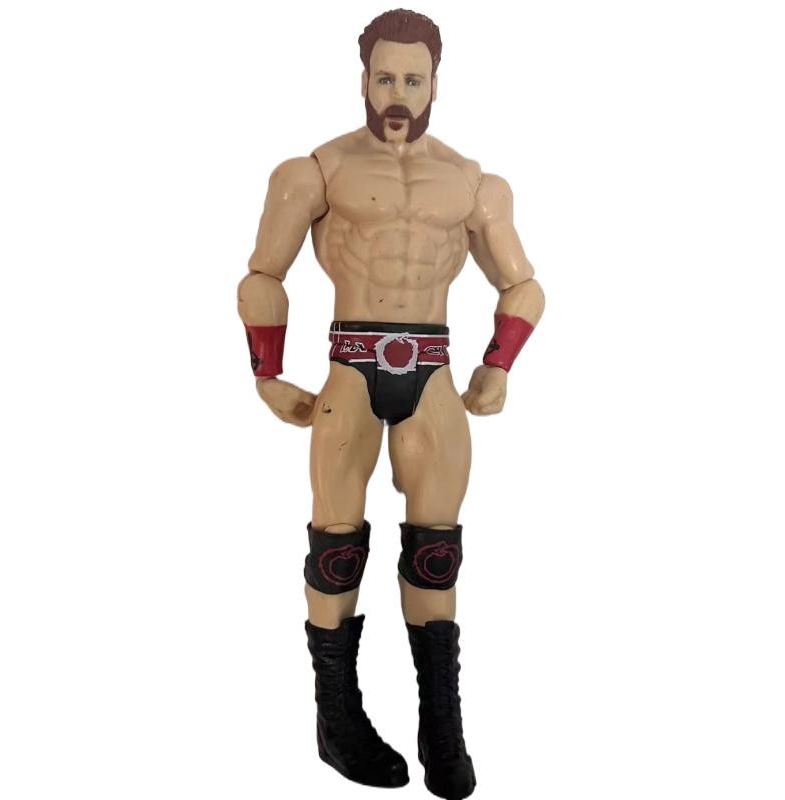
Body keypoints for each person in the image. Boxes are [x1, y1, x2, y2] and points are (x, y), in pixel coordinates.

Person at [238, 9, 544, 799]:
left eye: (413, 78)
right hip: (349, 362)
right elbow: (263, 275)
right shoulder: (317, 171)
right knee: (335, 542)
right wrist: (267, 373)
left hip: (433, 368)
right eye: (384, 77)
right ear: (363, 79)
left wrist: (499, 364)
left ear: (436, 81)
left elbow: (522, 283)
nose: (398, 93)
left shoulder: (472, 183)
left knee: (437, 549)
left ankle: (442, 726)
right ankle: (337, 720)